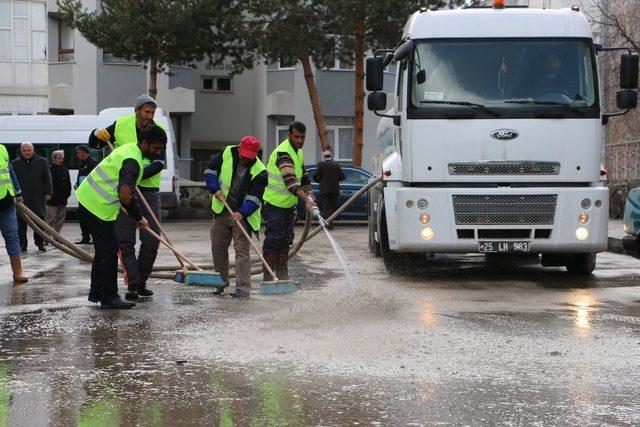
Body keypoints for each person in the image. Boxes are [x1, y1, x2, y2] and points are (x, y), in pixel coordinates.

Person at [76, 125, 167, 309]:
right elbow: (126, 195)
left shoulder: (129, 149)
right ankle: (109, 297)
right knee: (109, 251)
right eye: (156, 148)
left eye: (161, 149)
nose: (159, 153)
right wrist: (138, 216)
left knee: (104, 250)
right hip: (95, 205)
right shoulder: (132, 160)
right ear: (144, 142)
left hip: (90, 200)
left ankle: (97, 292)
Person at [89, 94, 164, 300]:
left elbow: (159, 163)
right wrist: (97, 134)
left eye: (152, 112)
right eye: (147, 112)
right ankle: (133, 284)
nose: (150, 116)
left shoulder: (158, 130)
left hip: (148, 191)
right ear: (138, 110)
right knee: (125, 240)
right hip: (123, 192)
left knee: (151, 239)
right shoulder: (121, 125)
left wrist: (137, 176)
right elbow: (94, 144)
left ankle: (142, 279)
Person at [204, 136, 267, 298]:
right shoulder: (226, 153)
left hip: (243, 216)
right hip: (222, 210)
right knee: (218, 248)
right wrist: (214, 188)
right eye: (244, 155)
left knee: (242, 252)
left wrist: (242, 212)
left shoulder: (260, 171)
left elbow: (255, 197)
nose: (246, 159)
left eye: (249, 157)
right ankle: (220, 282)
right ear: (239, 149)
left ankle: (243, 288)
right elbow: (210, 171)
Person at [262, 121, 318, 280]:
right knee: (274, 239)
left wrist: (310, 194)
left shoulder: (298, 152)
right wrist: (306, 200)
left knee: (285, 239)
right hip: (274, 204)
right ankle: (268, 277)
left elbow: (304, 177)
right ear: (289, 135)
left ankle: (282, 275)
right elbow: (291, 182)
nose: (300, 140)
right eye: (297, 137)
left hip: (287, 206)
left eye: (303, 137)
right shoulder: (284, 152)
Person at [11, 142, 53, 253]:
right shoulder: (15, 163)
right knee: (21, 224)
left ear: (33, 150)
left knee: (39, 222)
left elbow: (47, 178)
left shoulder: (42, 161)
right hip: (22, 198)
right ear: (21, 151)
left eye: (29, 150)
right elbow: (11, 181)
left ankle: (40, 244)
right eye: (24, 150)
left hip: (37, 197)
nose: (27, 152)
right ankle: (22, 245)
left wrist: (49, 192)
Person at [0, 143, 28, 283]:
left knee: (12, 236)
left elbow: (10, 172)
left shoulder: (2, 149)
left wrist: (18, 193)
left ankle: (17, 271)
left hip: (6, 200)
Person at [313, 149, 345, 229]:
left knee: (326, 207)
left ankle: (329, 224)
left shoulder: (321, 164)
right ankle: (331, 223)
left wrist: (320, 181)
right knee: (332, 207)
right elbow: (342, 177)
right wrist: (335, 181)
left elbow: (315, 175)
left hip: (324, 190)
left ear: (324, 157)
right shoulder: (336, 165)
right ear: (331, 156)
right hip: (335, 190)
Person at [74, 145, 99, 244]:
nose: (77, 155)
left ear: (83, 152)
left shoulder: (93, 163)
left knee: (91, 217)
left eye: (78, 153)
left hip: (91, 196)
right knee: (82, 217)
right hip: (82, 195)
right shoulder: (82, 163)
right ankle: (85, 237)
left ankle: (95, 237)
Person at [45, 150, 71, 234]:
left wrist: (67, 194)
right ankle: (46, 238)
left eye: (62, 158)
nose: (61, 160)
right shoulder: (48, 170)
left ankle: (57, 237)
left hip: (63, 200)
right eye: (59, 158)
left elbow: (68, 184)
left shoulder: (65, 170)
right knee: (50, 219)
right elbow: (45, 184)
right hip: (52, 200)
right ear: (53, 158)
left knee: (60, 220)